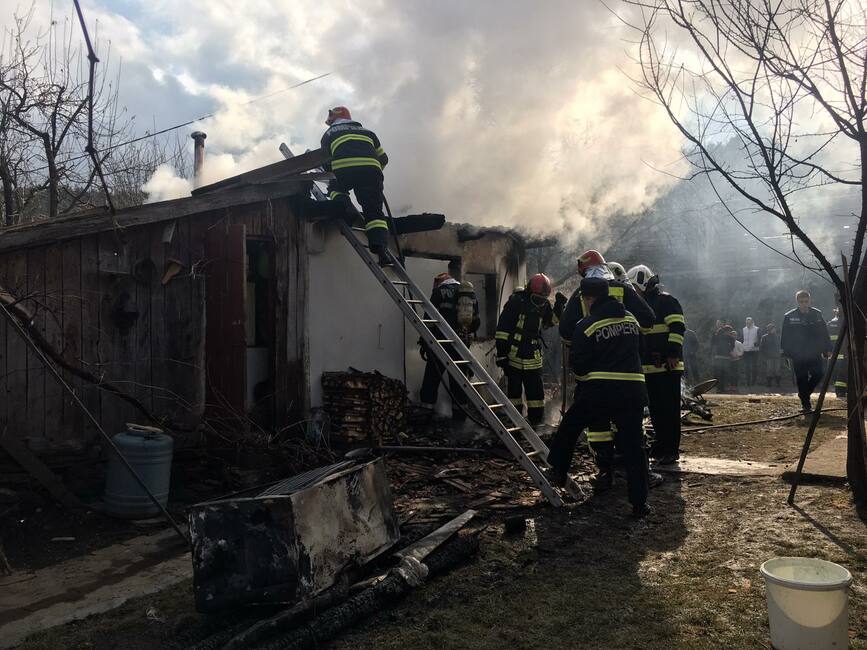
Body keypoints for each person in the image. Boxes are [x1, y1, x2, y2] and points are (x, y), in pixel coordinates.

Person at [547, 277, 652, 517]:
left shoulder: (587, 323)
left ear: (588, 298)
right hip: (634, 390)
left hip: (601, 389)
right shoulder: (631, 319)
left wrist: (590, 376)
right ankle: (640, 504)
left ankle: (558, 471)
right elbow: (641, 351)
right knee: (634, 447)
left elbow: (579, 364)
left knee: (570, 426)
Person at [558, 250, 656, 489]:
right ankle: (640, 477)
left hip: (594, 377)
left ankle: (604, 472)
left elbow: (565, 330)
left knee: (596, 425)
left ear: (584, 272)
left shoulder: (582, 293)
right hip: (628, 373)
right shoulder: (624, 290)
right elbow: (648, 319)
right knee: (631, 427)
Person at [627, 264, 685, 465]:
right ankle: (660, 446)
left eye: (634, 288)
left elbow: (677, 328)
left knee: (669, 410)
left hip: (668, 367)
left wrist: (672, 354)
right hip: (650, 369)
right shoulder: (640, 306)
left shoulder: (666, 301)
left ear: (642, 283)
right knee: (656, 411)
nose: (633, 293)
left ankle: (671, 450)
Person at [320, 106, 390, 263]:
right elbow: (384, 159)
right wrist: (373, 173)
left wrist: (332, 172)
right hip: (371, 171)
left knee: (335, 188)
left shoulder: (329, 133)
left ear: (333, 119)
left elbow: (325, 161)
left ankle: (347, 209)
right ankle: (380, 249)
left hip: (344, 169)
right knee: (374, 211)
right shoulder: (368, 132)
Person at [495, 273, 566, 425]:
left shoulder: (544, 305)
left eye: (543, 299)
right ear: (529, 292)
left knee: (536, 392)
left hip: (533, 355)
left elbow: (550, 322)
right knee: (514, 391)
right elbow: (503, 328)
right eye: (538, 299)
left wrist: (559, 307)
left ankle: (535, 421)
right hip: (514, 353)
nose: (540, 303)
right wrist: (502, 353)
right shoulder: (516, 302)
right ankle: (514, 422)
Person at [419, 272, 480, 420]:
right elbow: (476, 322)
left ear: (441, 282)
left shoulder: (439, 292)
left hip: (440, 343)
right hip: (460, 344)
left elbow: (429, 319)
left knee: (432, 378)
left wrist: (424, 341)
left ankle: (426, 413)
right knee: (459, 381)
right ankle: (460, 417)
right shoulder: (469, 294)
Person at [781, 290, 832, 412]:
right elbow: (785, 336)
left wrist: (827, 349)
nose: (804, 304)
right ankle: (806, 405)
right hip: (798, 353)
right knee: (801, 378)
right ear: (797, 302)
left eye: (806, 301)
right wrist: (785, 353)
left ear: (810, 300)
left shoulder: (817, 314)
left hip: (814, 352)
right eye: (801, 302)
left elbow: (824, 332)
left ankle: (805, 393)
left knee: (818, 374)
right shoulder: (789, 316)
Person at [827, 306, 847, 398]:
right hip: (846, 355)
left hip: (835, 357)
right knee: (843, 375)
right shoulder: (849, 322)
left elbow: (827, 340)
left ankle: (840, 392)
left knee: (838, 377)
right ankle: (842, 391)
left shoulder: (831, 323)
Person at [711, 323, 735, 391]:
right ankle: (719, 388)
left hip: (726, 358)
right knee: (718, 374)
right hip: (718, 357)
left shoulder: (731, 338)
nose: (729, 332)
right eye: (728, 330)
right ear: (724, 331)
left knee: (725, 374)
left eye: (730, 331)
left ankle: (723, 388)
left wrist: (728, 351)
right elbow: (713, 343)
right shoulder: (718, 336)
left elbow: (732, 347)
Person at [760, 323, 782, 388]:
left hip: (777, 356)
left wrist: (781, 352)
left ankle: (778, 384)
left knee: (777, 370)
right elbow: (761, 347)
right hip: (769, 356)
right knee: (769, 370)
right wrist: (765, 355)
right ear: (769, 329)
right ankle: (769, 384)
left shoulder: (778, 337)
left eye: (774, 328)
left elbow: (781, 345)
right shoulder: (764, 337)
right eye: (772, 328)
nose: (774, 330)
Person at [741, 317, 761, 386]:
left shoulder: (757, 329)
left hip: (754, 350)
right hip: (746, 350)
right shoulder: (744, 329)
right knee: (747, 367)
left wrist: (757, 344)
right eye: (746, 323)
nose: (748, 324)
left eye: (749, 323)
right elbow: (742, 338)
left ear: (752, 322)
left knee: (754, 366)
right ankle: (748, 381)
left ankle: (753, 382)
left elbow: (760, 339)